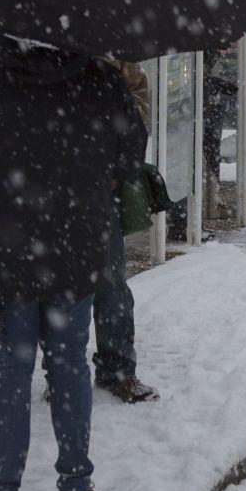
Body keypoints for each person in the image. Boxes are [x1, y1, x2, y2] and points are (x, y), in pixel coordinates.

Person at [0, 35, 146, 491]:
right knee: (70, 365)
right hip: (75, 249)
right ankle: (76, 483)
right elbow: (130, 161)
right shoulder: (100, 80)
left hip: (4, 253)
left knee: (10, 371)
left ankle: (1, 490)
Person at [93, 58, 159, 403]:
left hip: (103, 187)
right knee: (62, 288)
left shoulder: (118, 56)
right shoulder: (53, 47)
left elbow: (138, 113)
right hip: (60, 186)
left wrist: (119, 168)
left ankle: (117, 369)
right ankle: (62, 371)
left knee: (112, 283)